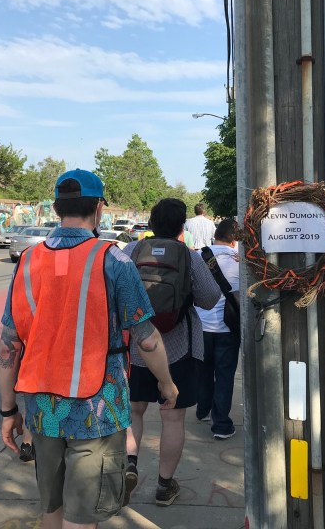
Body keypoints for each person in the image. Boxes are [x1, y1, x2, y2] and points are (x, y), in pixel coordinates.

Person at [0, 169, 178, 529]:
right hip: (98, 408)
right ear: (98, 209)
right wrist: (167, 383)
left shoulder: (28, 262)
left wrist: (7, 411)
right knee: (83, 516)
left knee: (52, 509)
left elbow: (8, 344)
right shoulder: (113, 260)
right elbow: (147, 337)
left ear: (55, 207)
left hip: (42, 407)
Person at [123, 198, 220, 506]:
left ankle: (129, 465)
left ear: (151, 223)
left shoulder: (130, 252)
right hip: (179, 347)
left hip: (138, 348)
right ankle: (165, 485)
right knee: (173, 417)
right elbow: (209, 298)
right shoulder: (189, 257)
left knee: (134, 411)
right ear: (182, 228)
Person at [194, 218, 241, 439]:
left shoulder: (198, 257)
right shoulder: (240, 262)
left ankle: (203, 410)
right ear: (235, 241)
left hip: (200, 327)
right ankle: (221, 423)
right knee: (224, 374)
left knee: (204, 371)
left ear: (216, 235)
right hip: (227, 328)